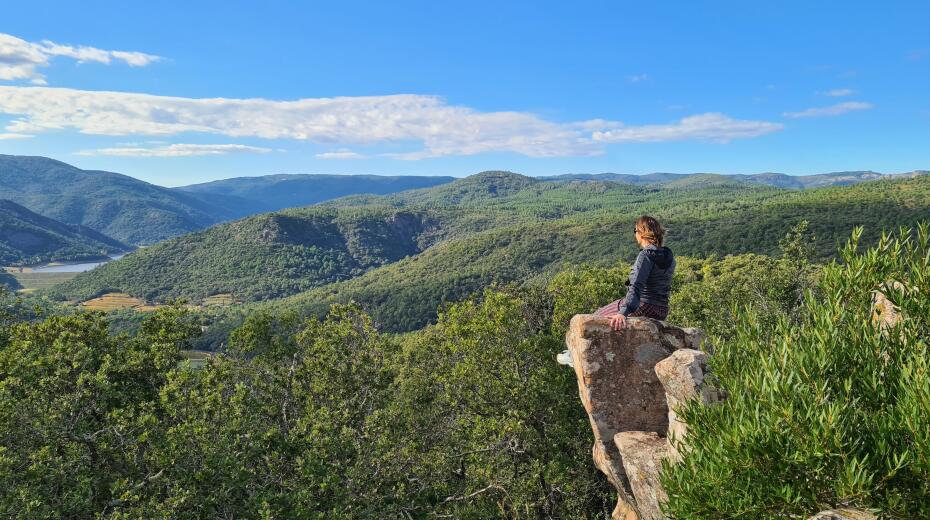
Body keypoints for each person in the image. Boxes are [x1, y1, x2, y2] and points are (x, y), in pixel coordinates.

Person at [595, 215, 675, 331]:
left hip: (644, 306)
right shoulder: (669, 257)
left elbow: (637, 284)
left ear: (641, 233)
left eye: (635, 231)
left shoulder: (646, 255)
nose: (635, 234)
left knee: (597, 316)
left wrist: (623, 312)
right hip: (662, 310)